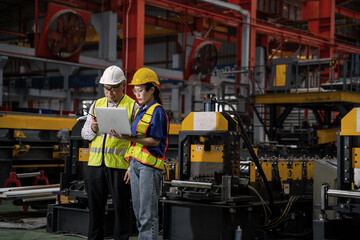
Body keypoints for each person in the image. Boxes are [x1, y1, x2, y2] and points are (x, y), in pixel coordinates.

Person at [109, 67, 169, 240]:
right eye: (135, 91)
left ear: (152, 89)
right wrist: (130, 165)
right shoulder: (140, 110)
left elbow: (155, 141)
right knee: (138, 212)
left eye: (141, 90)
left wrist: (127, 138)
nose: (138, 94)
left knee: (147, 214)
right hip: (136, 166)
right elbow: (136, 141)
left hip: (149, 168)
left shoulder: (157, 111)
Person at [81, 65, 139, 240]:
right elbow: (85, 134)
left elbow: (138, 141)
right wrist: (92, 126)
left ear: (123, 85)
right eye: (106, 88)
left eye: (114, 88)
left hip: (120, 167)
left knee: (122, 210)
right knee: (95, 210)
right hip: (95, 165)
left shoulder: (133, 107)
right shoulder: (96, 105)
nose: (110, 92)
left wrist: (131, 166)